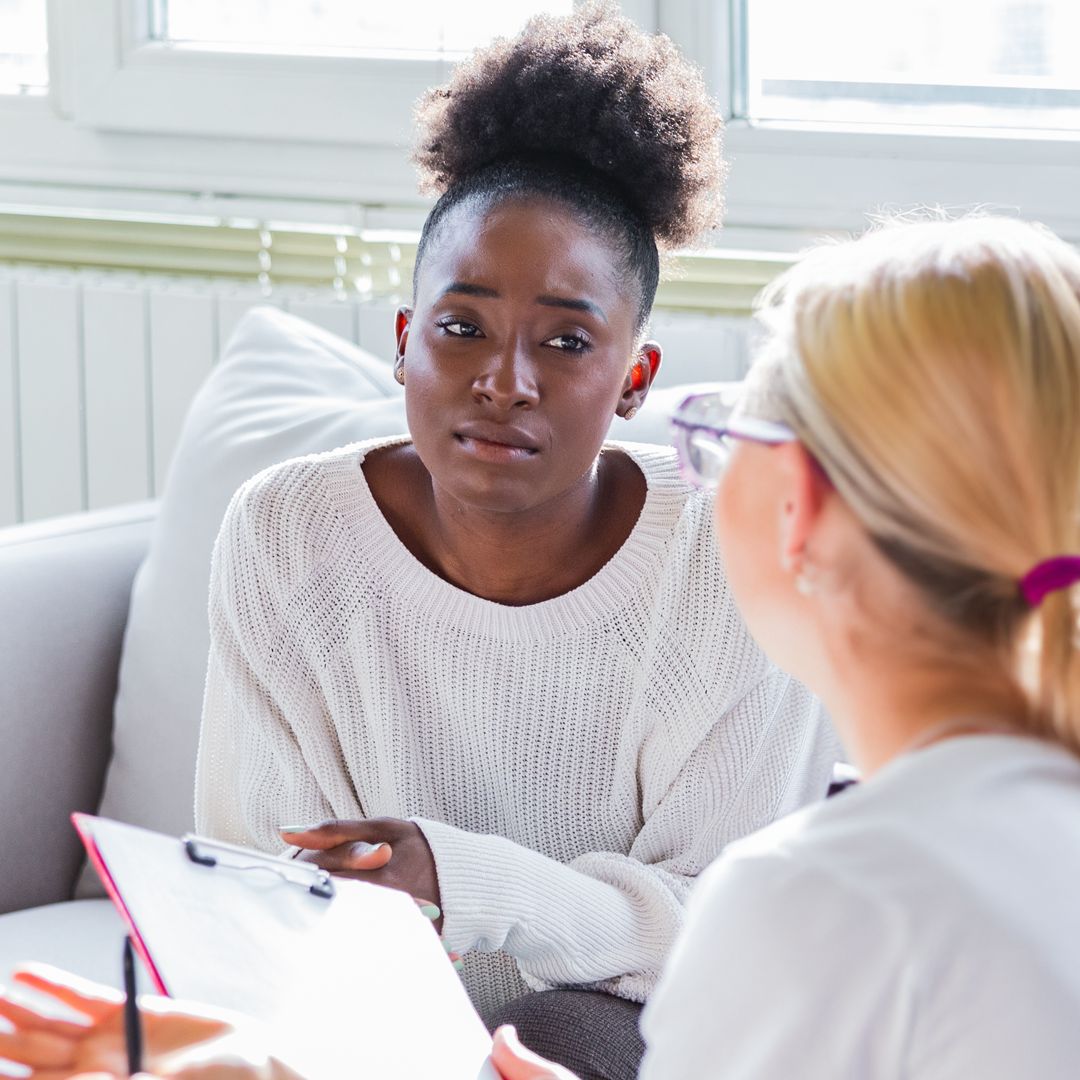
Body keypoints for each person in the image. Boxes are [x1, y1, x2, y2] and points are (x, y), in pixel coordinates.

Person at [5, 217, 1079, 1080]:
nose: (507, 381)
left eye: (730, 429)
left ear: (799, 511)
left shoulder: (799, 905)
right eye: (461, 328)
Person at [191, 3, 837, 1077]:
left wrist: (465, 881)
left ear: (636, 379)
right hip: (369, 1027)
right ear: (404, 345)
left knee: (554, 1035)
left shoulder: (730, 556)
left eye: (568, 340)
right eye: (462, 327)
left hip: (631, 1033)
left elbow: (718, 930)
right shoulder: (284, 536)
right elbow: (263, 885)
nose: (504, 381)